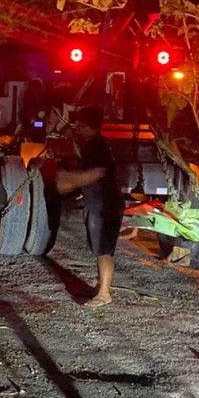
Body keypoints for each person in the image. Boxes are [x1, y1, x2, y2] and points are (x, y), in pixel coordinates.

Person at [57, 106, 122, 307]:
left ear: (87, 126)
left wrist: (67, 180)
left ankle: (104, 294)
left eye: (79, 125)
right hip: (99, 203)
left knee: (104, 250)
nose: (77, 127)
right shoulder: (93, 145)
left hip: (105, 205)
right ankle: (100, 286)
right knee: (99, 248)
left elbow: (97, 172)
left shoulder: (97, 146)